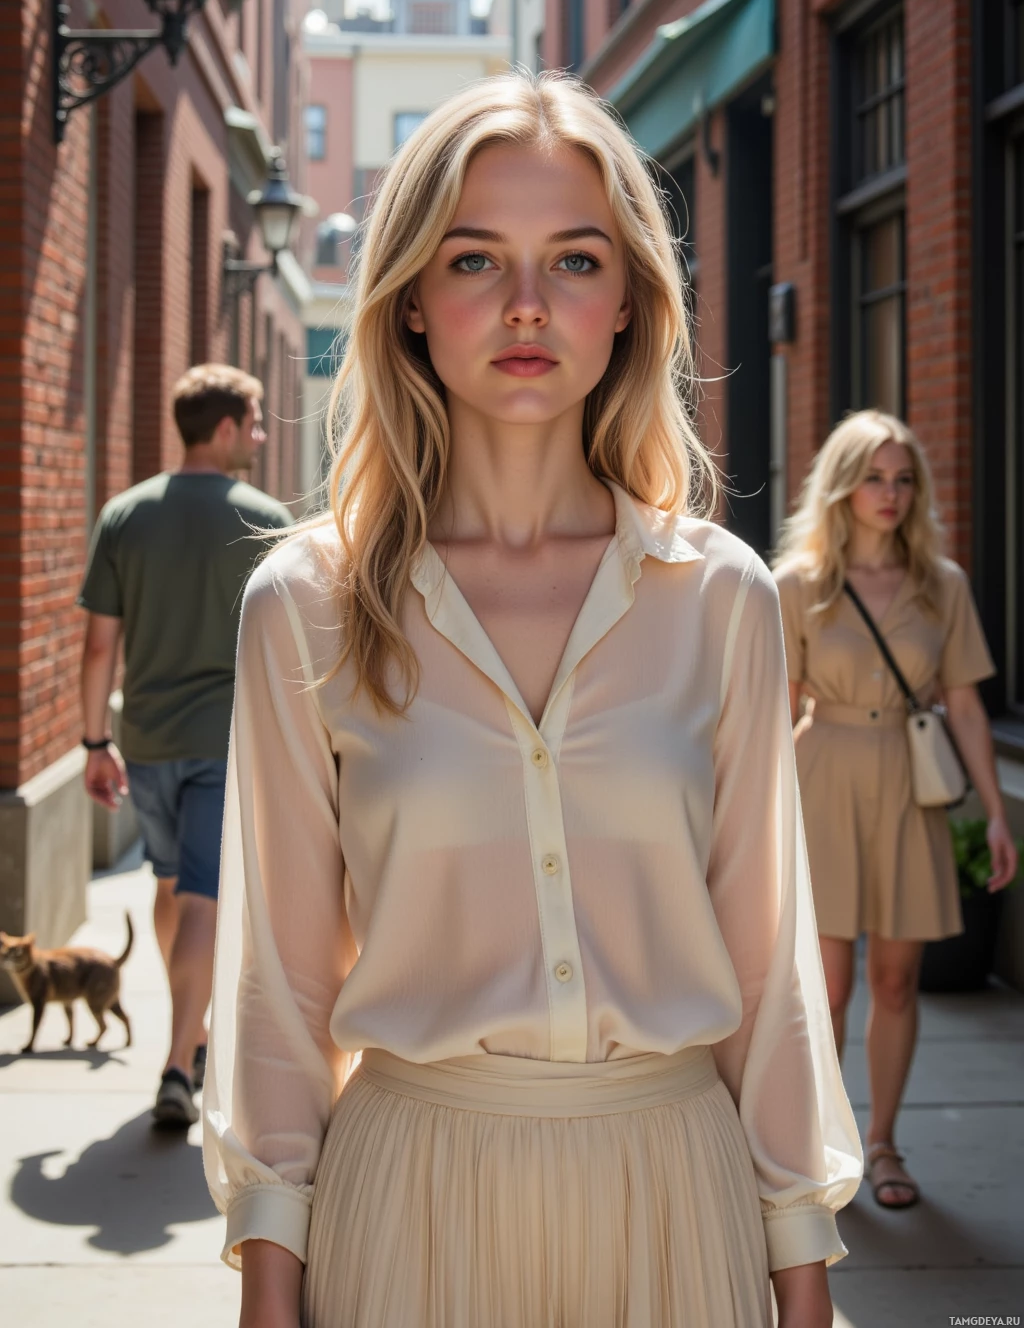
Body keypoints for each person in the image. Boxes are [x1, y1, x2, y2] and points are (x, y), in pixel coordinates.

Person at [203, 75, 862, 1328]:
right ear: (406, 306)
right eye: (472, 260)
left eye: (571, 258)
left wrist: (802, 1272)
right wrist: (269, 1286)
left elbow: (769, 970)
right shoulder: (305, 604)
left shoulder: (719, 596)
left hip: (675, 1197)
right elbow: (278, 992)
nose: (523, 305)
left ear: (626, 304)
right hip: (409, 1204)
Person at [773, 410, 1018, 1212]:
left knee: (898, 980)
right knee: (829, 988)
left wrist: (994, 812)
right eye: (874, 476)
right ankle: (822, 1143)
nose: (890, 493)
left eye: (903, 478)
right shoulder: (798, 585)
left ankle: (882, 1145)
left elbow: (967, 706)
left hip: (910, 790)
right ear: (843, 486)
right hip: (823, 776)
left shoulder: (940, 584)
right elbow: (774, 710)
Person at [79, 364, 292, 1129]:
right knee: (203, 893)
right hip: (223, 738)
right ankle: (179, 1062)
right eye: (257, 422)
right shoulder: (266, 517)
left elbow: (99, 646)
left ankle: (188, 1027)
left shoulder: (124, 515)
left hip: (145, 738)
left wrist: (92, 742)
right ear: (227, 428)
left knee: (169, 884)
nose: (261, 436)